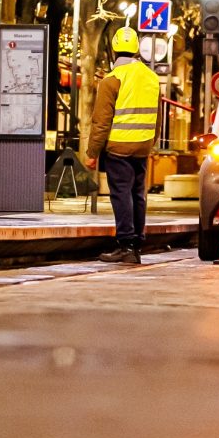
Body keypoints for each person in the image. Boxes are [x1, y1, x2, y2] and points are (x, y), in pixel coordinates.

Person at [87, 25, 160, 265]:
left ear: (114, 49)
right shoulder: (151, 77)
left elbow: (101, 121)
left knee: (121, 194)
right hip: (142, 146)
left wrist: (92, 152)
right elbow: (156, 115)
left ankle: (126, 244)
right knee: (138, 193)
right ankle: (137, 242)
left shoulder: (112, 79)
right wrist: (151, 142)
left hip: (119, 146)